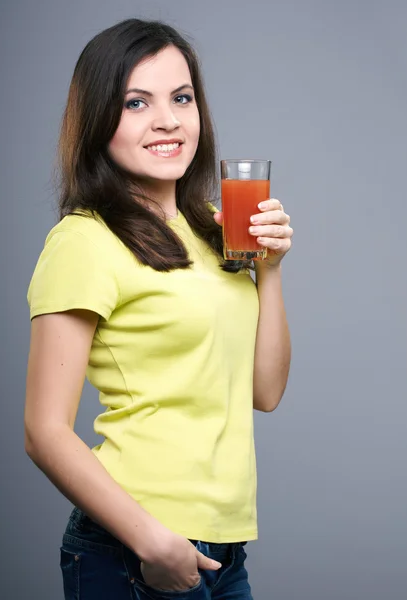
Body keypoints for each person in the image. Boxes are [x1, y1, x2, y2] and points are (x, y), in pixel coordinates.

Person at [24, 18, 293, 600]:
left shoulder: (213, 230)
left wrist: (268, 272)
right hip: (136, 547)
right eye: (136, 102)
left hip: (223, 552)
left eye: (182, 97)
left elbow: (264, 392)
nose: (168, 120)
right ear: (99, 121)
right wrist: (151, 541)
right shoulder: (85, 240)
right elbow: (44, 430)